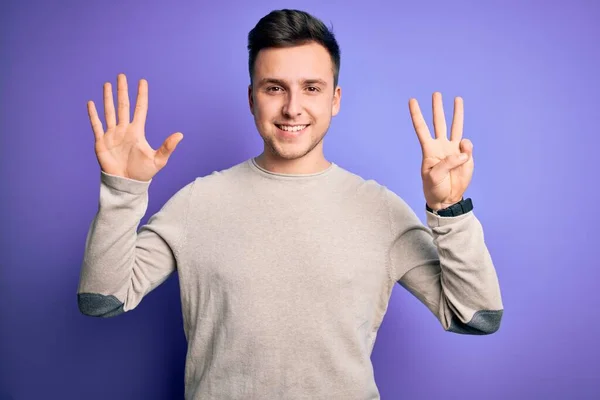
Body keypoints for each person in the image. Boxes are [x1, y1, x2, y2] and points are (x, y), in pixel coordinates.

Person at [77, 8, 504, 400]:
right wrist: (122, 191)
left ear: (334, 100)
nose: (292, 107)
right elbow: (103, 298)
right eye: (274, 87)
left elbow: (476, 316)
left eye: (311, 88)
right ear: (251, 98)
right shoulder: (198, 203)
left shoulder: (380, 210)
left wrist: (450, 208)